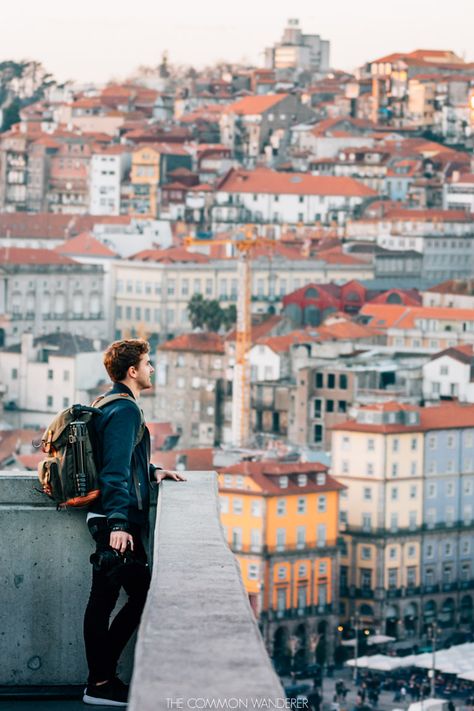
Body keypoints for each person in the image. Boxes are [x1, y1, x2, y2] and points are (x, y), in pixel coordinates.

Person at [82, 339, 186, 706]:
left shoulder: (105, 402)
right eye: (147, 363)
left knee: (106, 599)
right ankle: (100, 683)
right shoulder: (125, 410)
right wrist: (118, 525)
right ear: (132, 371)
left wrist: (153, 470)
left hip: (108, 516)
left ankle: (101, 680)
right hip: (115, 521)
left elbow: (120, 460)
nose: (152, 368)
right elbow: (113, 470)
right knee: (136, 596)